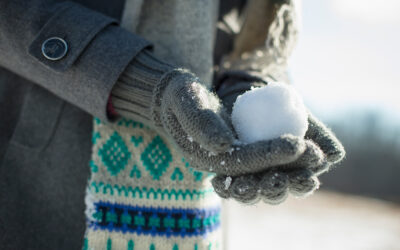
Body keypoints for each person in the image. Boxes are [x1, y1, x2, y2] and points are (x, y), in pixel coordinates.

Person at [0, 0, 345, 249]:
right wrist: (142, 84)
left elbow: (249, 25)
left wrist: (246, 84)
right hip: (39, 170)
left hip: (193, 197)